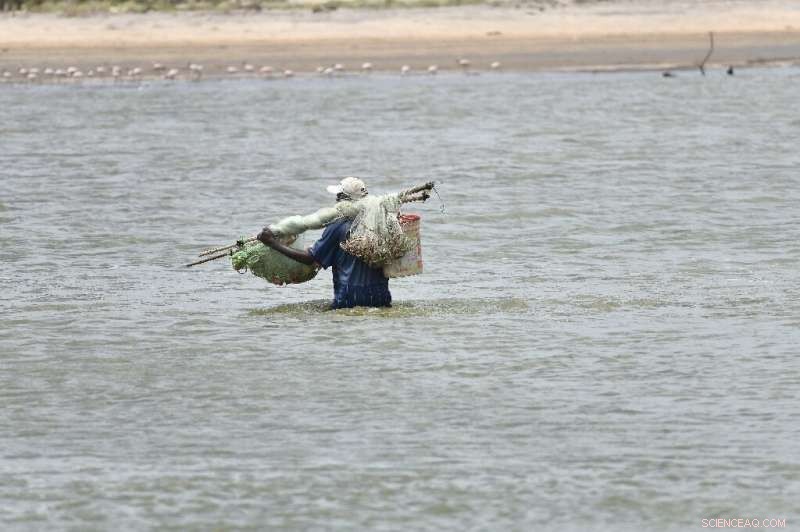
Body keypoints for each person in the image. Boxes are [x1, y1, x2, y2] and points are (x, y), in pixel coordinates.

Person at [256, 177, 392, 310]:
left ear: (342, 199)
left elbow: (310, 259)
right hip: (382, 299)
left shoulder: (338, 226)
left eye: (338, 197)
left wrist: (272, 243)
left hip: (349, 301)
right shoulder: (381, 225)